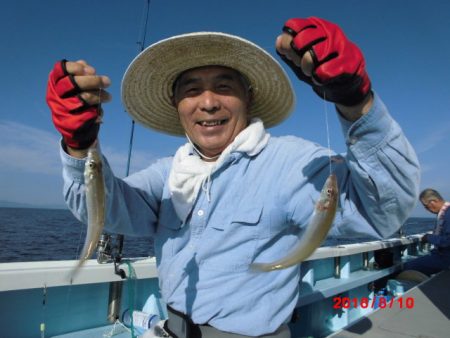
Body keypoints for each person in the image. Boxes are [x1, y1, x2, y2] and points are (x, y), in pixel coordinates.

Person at [46, 17, 420, 338]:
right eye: (191, 91)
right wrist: (80, 146)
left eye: (224, 87)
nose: (208, 103)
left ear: (248, 98)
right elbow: (104, 208)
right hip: (171, 327)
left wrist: (357, 100)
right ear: (178, 107)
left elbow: (383, 212)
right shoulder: (167, 173)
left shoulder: (292, 162)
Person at [404, 189, 450, 276]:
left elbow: (447, 241)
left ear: (433, 202)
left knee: (408, 266)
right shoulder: (446, 212)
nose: (426, 209)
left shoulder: (448, 214)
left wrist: (428, 237)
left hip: (446, 259)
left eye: (426, 206)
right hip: (444, 255)